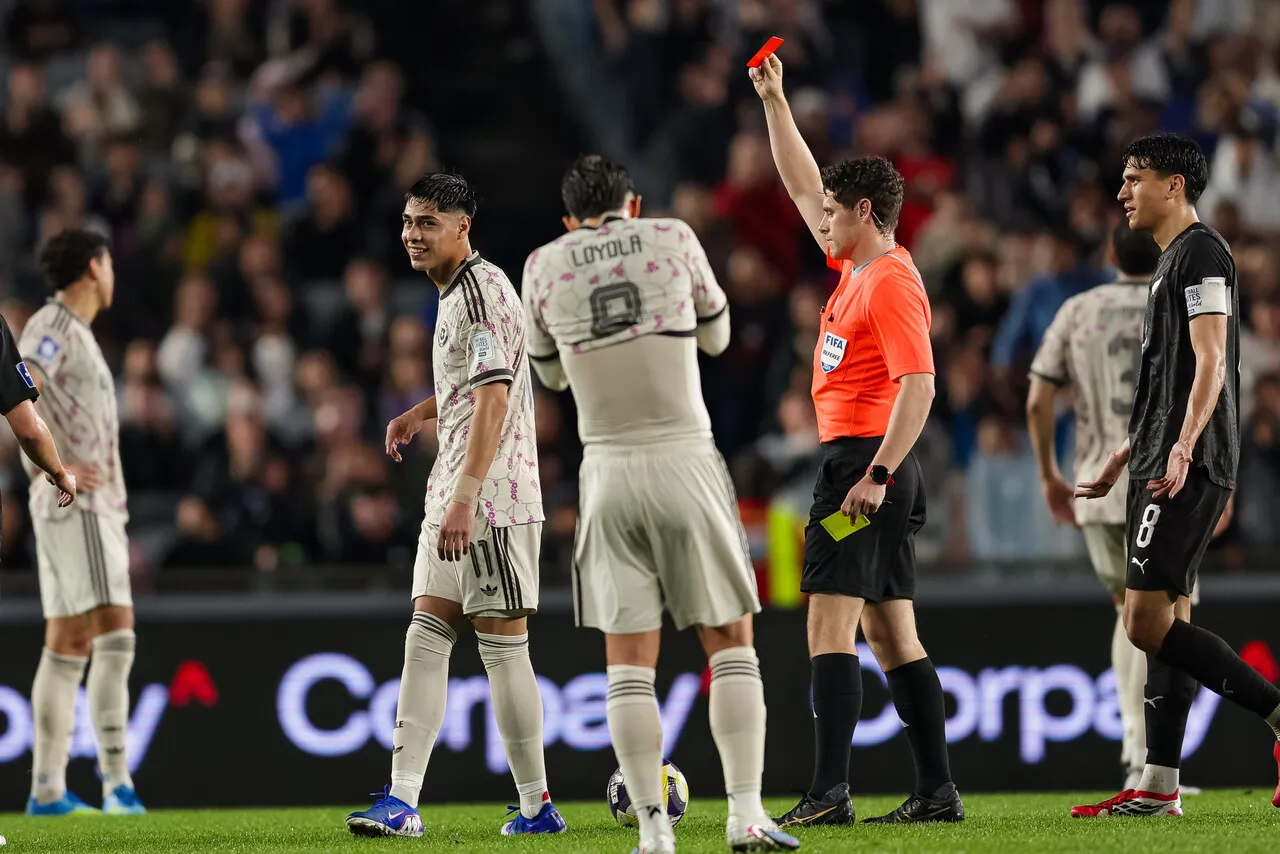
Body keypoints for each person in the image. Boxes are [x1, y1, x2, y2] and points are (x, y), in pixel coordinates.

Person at [522, 154, 800, 854]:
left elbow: (550, 378)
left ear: (568, 219)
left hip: (607, 471)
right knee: (732, 645)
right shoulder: (673, 237)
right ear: (633, 204)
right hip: (685, 457)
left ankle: (653, 831)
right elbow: (718, 336)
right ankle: (745, 816)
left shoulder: (543, 265)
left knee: (628, 665)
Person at [751, 55, 962, 826]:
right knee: (890, 630)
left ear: (866, 212)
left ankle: (829, 791)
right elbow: (805, 186)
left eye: (835, 216)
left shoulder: (890, 281)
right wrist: (776, 103)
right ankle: (937, 791)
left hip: (864, 472)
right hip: (873, 471)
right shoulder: (855, 270)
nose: (821, 223)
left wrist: (873, 474)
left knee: (827, 621)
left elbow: (922, 385)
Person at [345, 173, 565, 838]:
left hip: (489, 496)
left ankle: (536, 806)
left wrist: (468, 499)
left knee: (502, 647)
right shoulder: (456, 293)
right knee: (426, 633)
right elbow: (478, 383)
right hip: (458, 488)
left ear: (463, 227)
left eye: (428, 222)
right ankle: (403, 800)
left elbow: (497, 399)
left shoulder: (480, 290)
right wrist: (422, 411)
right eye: (409, 221)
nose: (413, 234)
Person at [1071, 132, 1280, 818]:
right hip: (1160, 459)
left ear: (1173, 186)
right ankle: (1160, 788)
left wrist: (1185, 447)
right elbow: (1170, 380)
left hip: (1185, 463)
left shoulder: (1202, 253)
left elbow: (1212, 359)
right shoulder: (1170, 263)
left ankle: (1276, 713)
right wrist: (1128, 453)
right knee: (1172, 617)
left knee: (1142, 622)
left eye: (1135, 179)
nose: (1123, 191)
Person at [1027, 222, 1164, 790]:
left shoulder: (1078, 309)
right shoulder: (1175, 303)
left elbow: (1038, 397)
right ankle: (1153, 758)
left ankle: (1135, 746)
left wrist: (1048, 476)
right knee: (1167, 618)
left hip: (1093, 485)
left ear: (1110, 255)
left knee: (1125, 612)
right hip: (1164, 483)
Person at [18, 228, 142, 817]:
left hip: (67, 505)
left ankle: (47, 789)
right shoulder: (54, 326)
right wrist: (54, 464)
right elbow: (24, 388)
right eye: (109, 261)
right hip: (79, 504)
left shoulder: (71, 331)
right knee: (115, 633)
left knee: (67, 642)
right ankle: (118, 784)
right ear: (95, 266)